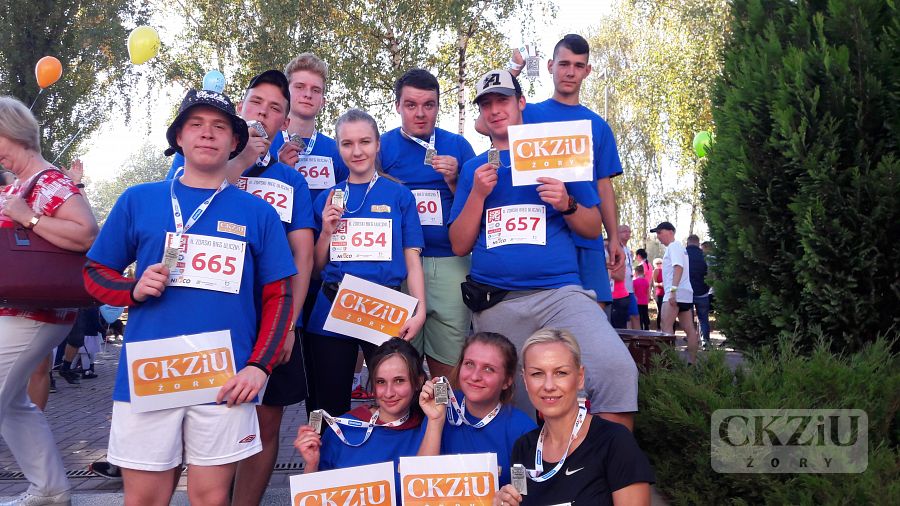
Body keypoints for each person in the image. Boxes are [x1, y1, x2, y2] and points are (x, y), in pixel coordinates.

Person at [82, 88, 296, 506]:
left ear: (235, 142)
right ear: (179, 137)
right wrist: (131, 289)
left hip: (223, 378)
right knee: (144, 499)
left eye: (219, 126)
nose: (207, 133)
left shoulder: (258, 213)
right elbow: (94, 273)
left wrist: (259, 367)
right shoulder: (138, 200)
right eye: (195, 124)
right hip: (151, 375)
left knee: (211, 499)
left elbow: (279, 296)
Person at [448, 69, 638, 430]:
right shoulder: (474, 168)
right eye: (486, 104)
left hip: (560, 295)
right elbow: (459, 245)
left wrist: (567, 203)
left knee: (615, 369)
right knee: (508, 398)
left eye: (503, 100)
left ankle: (614, 462)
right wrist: (477, 195)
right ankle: (525, 463)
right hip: (498, 301)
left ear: (521, 103)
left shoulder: (555, 155)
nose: (495, 110)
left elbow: (591, 227)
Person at [214, 70, 317, 506]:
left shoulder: (291, 181)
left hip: (272, 318)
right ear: (240, 109)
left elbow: (303, 256)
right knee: (215, 421)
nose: (263, 113)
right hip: (217, 316)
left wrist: (289, 325)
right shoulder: (200, 163)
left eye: (275, 109)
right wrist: (238, 163)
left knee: (265, 423)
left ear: (284, 123)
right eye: (256, 102)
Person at [0, 96, 99, 506]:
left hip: (32, 312)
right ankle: (50, 489)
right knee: (13, 406)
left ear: (14, 134)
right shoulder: (22, 185)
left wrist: (29, 217)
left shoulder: (48, 182)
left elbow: (87, 233)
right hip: (26, 311)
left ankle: (49, 489)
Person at [304, 108, 426, 417]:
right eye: (347, 144)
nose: (357, 151)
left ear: (377, 144)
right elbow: (315, 269)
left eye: (365, 142)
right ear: (338, 147)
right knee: (328, 408)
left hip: (382, 309)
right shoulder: (328, 197)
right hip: (333, 307)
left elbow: (412, 259)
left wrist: (420, 310)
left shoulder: (399, 195)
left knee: (396, 401)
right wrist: (326, 233)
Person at [507, 34, 627, 310]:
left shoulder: (598, 126)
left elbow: (603, 185)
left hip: (585, 238)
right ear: (550, 66)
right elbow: (484, 123)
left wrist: (614, 238)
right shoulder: (528, 114)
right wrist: (513, 70)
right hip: (541, 239)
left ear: (587, 71)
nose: (570, 72)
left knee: (593, 319)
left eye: (578, 65)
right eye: (564, 64)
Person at [380, 68, 477, 380]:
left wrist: (455, 180)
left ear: (438, 106)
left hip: (449, 262)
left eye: (428, 105)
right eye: (411, 105)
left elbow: (478, 207)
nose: (420, 113)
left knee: (448, 368)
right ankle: (410, 414)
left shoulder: (458, 146)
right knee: (400, 362)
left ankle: (444, 410)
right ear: (397, 106)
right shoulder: (382, 147)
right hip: (399, 265)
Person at [494, 329, 654, 506]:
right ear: (525, 380)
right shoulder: (523, 448)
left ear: (580, 377)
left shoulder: (614, 442)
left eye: (560, 373)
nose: (549, 386)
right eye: (537, 374)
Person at [294, 339, 426, 500]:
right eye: (381, 382)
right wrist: (311, 465)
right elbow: (315, 499)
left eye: (399, 381)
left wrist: (435, 421)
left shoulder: (430, 429)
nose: (389, 393)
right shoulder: (341, 430)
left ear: (418, 381)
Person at [417, 332, 537, 486]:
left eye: (488, 369)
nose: (475, 376)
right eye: (469, 364)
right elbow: (419, 485)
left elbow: (523, 492)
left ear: (507, 381)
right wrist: (435, 421)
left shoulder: (523, 430)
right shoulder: (441, 407)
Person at [277, 53, 350, 203]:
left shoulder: (338, 151)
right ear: (285, 93)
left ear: (323, 101)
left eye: (316, 90)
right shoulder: (263, 145)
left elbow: (345, 200)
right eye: (300, 87)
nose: (308, 95)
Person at [651, 222, 699, 363]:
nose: (658, 236)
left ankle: (669, 364)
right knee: (689, 330)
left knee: (665, 328)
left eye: (660, 232)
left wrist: (672, 291)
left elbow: (678, 267)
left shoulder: (673, 246)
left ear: (671, 232)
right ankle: (692, 363)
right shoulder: (680, 248)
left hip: (674, 293)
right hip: (685, 294)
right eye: (657, 233)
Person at [687, 234, 711, 347]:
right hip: (703, 292)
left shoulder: (684, 254)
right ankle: (705, 342)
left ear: (688, 242)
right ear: (698, 243)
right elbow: (710, 274)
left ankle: (691, 343)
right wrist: (708, 287)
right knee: (703, 319)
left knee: (688, 320)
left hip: (687, 292)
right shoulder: (705, 256)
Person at [633, 264, 651, 330]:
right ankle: (647, 328)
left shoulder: (634, 282)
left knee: (639, 317)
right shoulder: (646, 281)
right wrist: (647, 300)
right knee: (645, 316)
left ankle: (640, 329)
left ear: (636, 272)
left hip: (637, 302)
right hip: (645, 302)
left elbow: (633, 292)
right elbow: (648, 293)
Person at [652, 258, 664, 330]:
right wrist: (660, 284)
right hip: (659, 293)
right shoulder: (656, 271)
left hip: (666, 293)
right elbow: (654, 283)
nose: (659, 264)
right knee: (660, 310)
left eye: (660, 263)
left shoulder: (664, 270)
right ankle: (659, 327)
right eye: (657, 263)